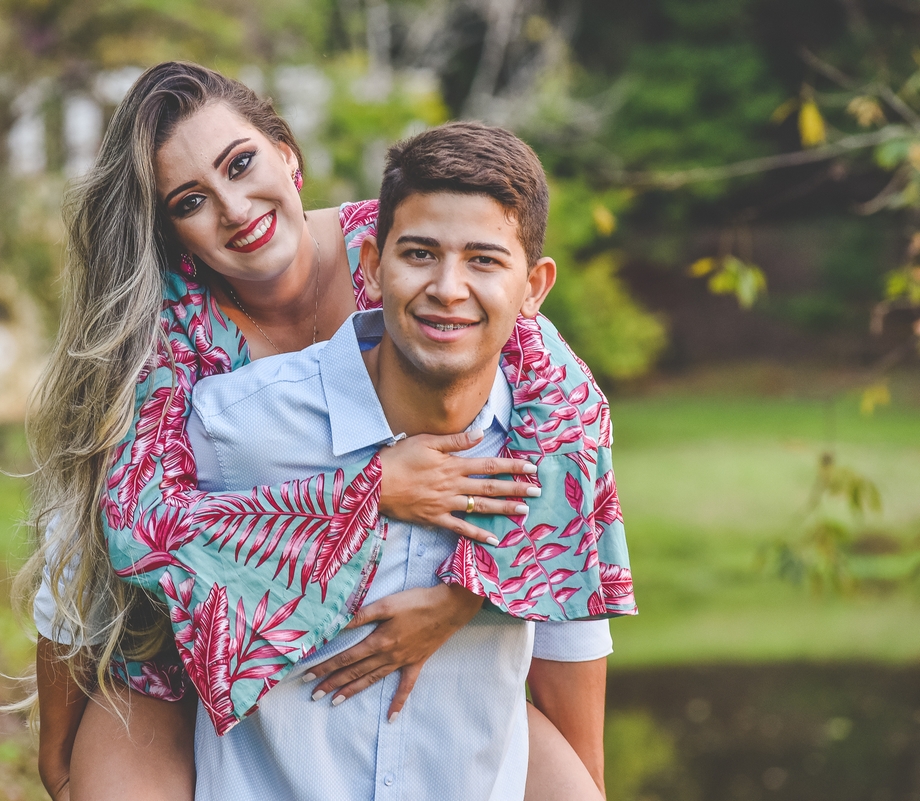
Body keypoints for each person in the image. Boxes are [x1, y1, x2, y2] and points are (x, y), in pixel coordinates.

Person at [16, 62, 634, 800]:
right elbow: (123, 528)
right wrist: (368, 491)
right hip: (182, 653)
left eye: (241, 164)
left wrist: (465, 597)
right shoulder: (169, 340)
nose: (236, 208)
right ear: (170, 228)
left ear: (288, 152)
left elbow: (570, 431)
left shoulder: (415, 253)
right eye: (191, 200)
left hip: (403, 641)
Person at [175, 119, 613, 800]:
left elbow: (568, 634)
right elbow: (116, 579)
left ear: (534, 286)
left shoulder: (553, 446)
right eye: (420, 254)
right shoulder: (233, 429)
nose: (447, 286)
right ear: (374, 268)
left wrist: (469, 593)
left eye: (484, 260)